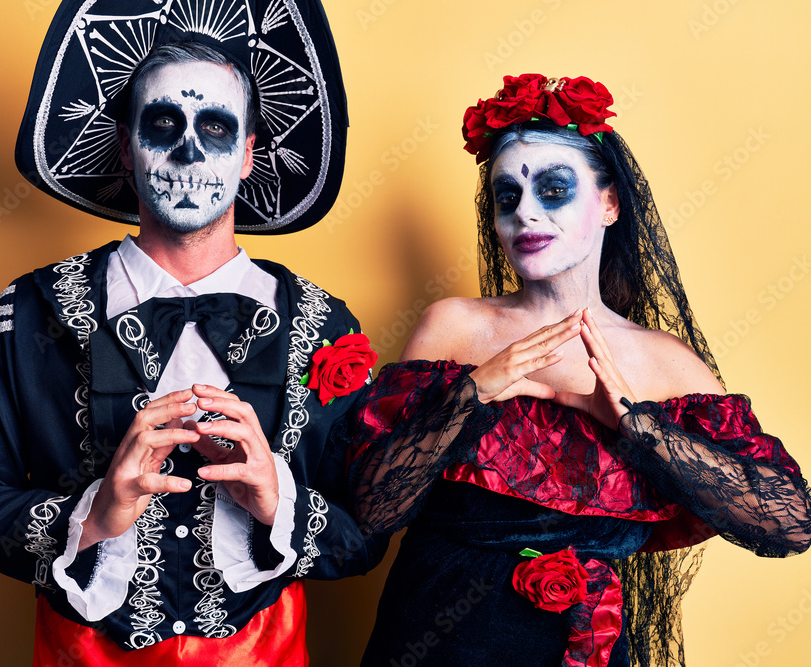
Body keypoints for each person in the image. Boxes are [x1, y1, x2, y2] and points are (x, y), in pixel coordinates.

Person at [0, 2, 382, 665]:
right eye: (163, 123)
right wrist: (91, 515)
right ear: (125, 145)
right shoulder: (33, 308)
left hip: (266, 652)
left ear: (251, 153)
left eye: (218, 127)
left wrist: (278, 499)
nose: (189, 150)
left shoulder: (322, 324)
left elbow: (365, 534)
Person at [340, 74, 811, 667]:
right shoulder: (454, 327)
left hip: (587, 642)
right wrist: (474, 391)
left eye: (555, 189)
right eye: (507, 198)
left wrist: (637, 430)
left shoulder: (663, 363)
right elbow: (372, 510)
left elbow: (789, 525)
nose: (525, 215)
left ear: (610, 203)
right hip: (436, 637)